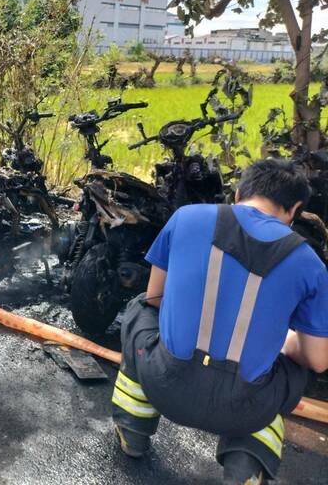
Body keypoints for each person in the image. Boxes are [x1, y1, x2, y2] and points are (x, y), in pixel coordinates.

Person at [111, 158, 328, 484]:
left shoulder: (186, 218)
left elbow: (154, 298)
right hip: (247, 409)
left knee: (138, 310)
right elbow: (319, 360)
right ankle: (246, 464)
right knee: (292, 367)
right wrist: (284, 342)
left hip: (165, 385)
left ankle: (133, 428)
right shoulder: (310, 264)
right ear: (295, 209)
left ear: (238, 193)